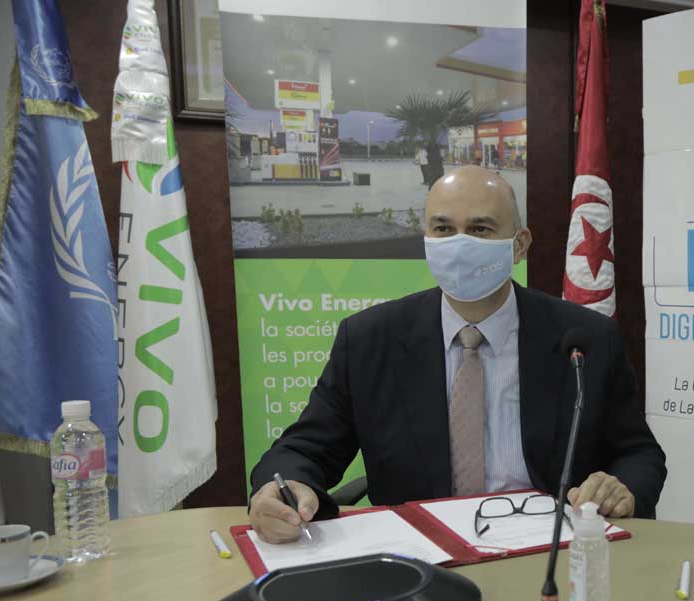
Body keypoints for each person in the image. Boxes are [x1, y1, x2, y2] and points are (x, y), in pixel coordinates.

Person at [249, 166, 666, 543]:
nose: (459, 244)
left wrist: (622, 487)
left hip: (547, 549)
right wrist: (282, 488)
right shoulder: (369, 340)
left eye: (480, 229)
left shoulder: (586, 339)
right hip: (418, 552)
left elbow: (639, 454)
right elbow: (302, 450)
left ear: (519, 245)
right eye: (443, 229)